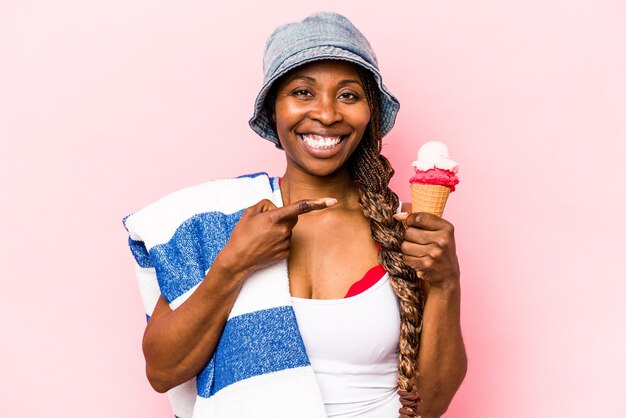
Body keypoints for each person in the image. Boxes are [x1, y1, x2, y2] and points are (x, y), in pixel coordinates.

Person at [127, 12, 466, 418]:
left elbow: (431, 405)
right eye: (303, 93)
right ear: (274, 111)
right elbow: (162, 372)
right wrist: (234, 264)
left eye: (348, 95)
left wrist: (446, 282)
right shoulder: (222, 222)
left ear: (369, 114)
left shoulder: (405, 231)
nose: (326, 114)